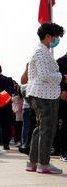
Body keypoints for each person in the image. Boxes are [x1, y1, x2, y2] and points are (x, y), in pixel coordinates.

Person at [25, 22, 65, 174]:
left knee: (40, 129)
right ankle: (44, 163)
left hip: (41, 94)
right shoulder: (41, 52)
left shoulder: (42, 51)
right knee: (47, 129)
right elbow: (45, 75)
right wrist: (62, 77)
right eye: (56, 36)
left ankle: (33, 161)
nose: (57, 39)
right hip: (44, 95)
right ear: (48, 36)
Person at [0, 64, 16, 150]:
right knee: (6, 125)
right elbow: (11, 91)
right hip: (6, 105)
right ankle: (6, 143)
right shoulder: (8, 79)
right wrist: (3, 100)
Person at [55, 52, 67, 162]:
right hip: (64, 97)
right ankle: (63, 151)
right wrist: (63, 89)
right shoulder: (61, 61)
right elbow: (59, 78)